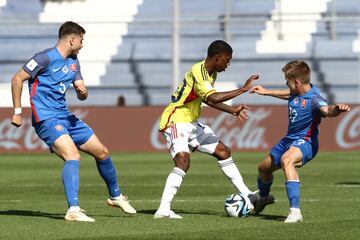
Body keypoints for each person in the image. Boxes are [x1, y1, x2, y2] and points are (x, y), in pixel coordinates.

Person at [10, 21, 136, 222]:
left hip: (66, 117)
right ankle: (73, 210)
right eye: (81, 40)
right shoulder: (44, 58)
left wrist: (82, 92)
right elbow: (17, 79)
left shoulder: (74, 61)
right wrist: (17, 111)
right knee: (73, 155)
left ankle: (115, 196)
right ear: (71, 39)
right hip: (46, 118)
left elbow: (80, 90)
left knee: (102, 152)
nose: (82, 44)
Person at [154, 40, 259, 219]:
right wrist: (243, 89)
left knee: (223, 151)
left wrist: (232, 110)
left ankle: (247, 194)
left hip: (191, 122)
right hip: (176, 119)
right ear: (218, 57)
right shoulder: (199, 71)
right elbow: (214, 97)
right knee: (183, 161)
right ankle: (163, 209)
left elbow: (209, 100)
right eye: (227, 60)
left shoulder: (210, 74)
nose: (228, 64)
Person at [249, 60, 351, 223]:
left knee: (286, 160)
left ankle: (295, 212)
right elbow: (288, 94)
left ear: (296, 82)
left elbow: (327, 110)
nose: (286, 84)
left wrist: (337, 110)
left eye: (287, 81)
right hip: (288, 140)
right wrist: (266, 92)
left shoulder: (315, 99)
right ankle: (264, 197)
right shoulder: (297, 92)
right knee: (263, 169)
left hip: (306, 142)